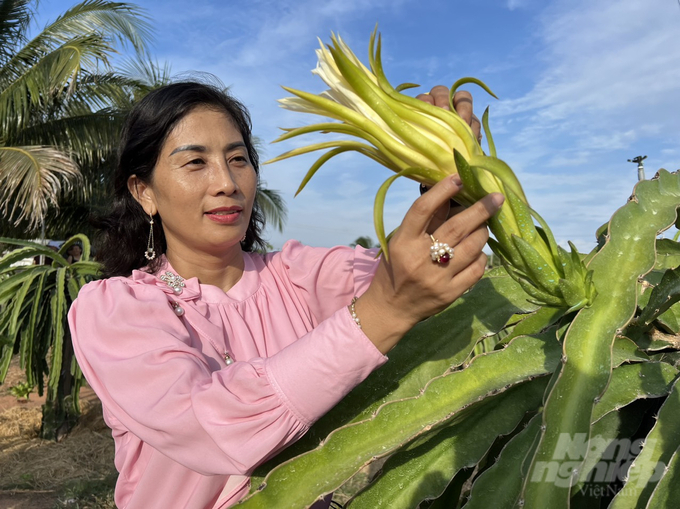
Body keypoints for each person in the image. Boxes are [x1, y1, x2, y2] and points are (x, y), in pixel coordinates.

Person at [67, 80, 503, 509]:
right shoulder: (114, 309)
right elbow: (210, 427)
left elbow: (418, 267)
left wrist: (445, 176)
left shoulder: (298, 274)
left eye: (238, 159)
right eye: (195, 163)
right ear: (144, 192)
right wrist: (381, 313)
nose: (226, 182)